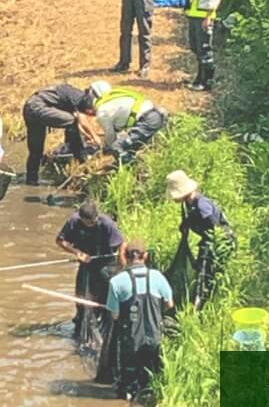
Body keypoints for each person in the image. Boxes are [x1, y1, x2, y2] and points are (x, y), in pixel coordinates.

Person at [100, 239, 174, 399]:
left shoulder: (116, 282)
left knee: (128, 382)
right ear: (145, 255)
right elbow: (169, 304)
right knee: (152, 376)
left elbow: (115, 315)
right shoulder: (158, 277)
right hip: (155, 337)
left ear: (125, 256)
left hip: (130, 341)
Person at [167, 170, 235, 309]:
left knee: (206, 274)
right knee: (202, 271)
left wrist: (211, 246)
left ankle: (201, 306)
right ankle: (202, 301)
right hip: (208, 240)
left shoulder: (201, 205)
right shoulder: (188, 204)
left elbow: (214, 227)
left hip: (219, 241)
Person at [56, 200, 125, 336]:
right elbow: (60, 241)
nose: (93, 224)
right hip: (86, 264)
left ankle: (107, 327)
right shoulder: (73, 222)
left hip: (106, 264)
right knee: (82, 298)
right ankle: (82, 323)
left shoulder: (106, 223)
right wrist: (77, 252)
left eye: (95, 221)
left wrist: (122, 263)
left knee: (106, 299)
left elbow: (122, 243)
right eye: (89, 223)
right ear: (81, 219)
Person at [22, 83, 100, 186]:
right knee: (71, 122)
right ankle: (80, 157)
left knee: (36, 150)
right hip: (38, 107)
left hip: (30, 109)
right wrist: (95, 137)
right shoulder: (78, 97)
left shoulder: (78, 100)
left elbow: (79, 124)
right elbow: (81, 121)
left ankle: (31, 181)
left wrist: (88, 136)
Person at [89, 81, 168, 165]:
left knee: (117, 146)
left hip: (147, 122)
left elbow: (110, 136)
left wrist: (105, 148)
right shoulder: (118, 97)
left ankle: (132, 167)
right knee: (128, 143)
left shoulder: (102, 111)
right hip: (157, 115)